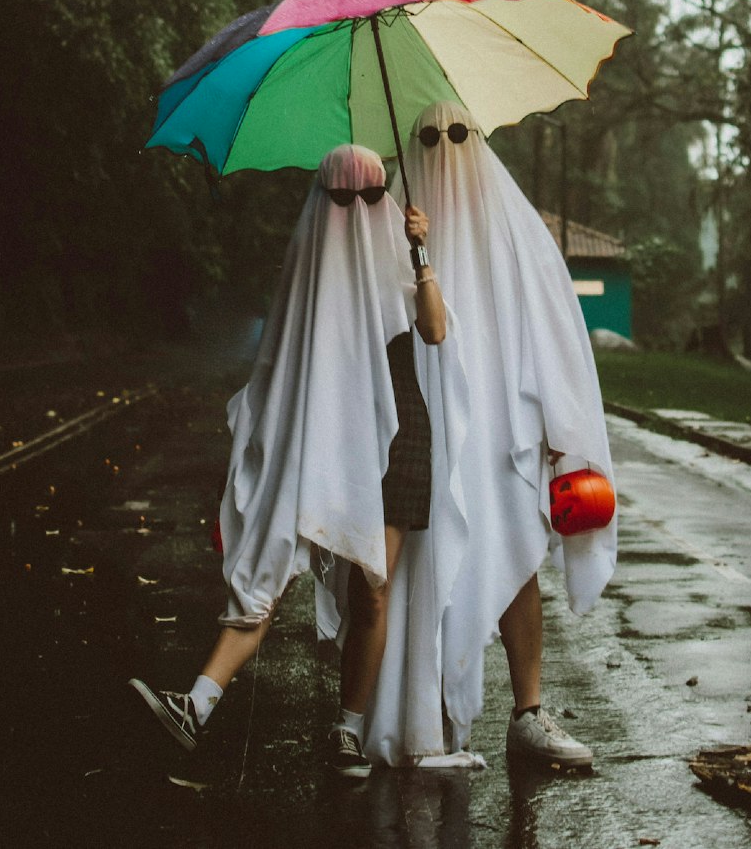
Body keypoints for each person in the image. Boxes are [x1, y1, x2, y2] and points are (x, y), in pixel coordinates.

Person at [129, 143, 463, 778]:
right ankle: (197, 705)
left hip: (398, 437)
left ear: (384, 199)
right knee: (270, 565)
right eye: (342, 197)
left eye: (369, 197)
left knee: (373, 586)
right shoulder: (309, 268)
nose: (355, 210)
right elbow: (281, 361)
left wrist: (421, 255)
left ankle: (349, 728)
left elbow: (436, 330)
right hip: (318, 432)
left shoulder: (399, 246)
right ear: (321, 201)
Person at [394, 100, 617, 769]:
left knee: (515, 552)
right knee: (421, 560)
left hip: (503, 430)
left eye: (459, 131)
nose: (444, 145)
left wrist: (557, 426)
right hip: (423, 421)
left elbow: (553, 328)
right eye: (428, 135)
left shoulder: (514, 227)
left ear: (480, 137)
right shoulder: (397, 225)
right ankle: (421, 713)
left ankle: (528, 710)